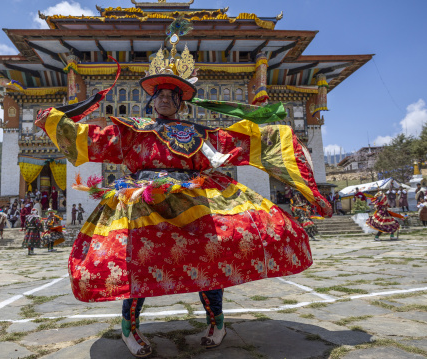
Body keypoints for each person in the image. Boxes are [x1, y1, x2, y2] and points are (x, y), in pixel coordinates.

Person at [34, 23, 331, 357]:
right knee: (134, 265)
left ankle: (216, 321)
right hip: (144, 206)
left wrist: (279, 139)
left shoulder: (199, 134)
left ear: (180, 102)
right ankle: (130, 328)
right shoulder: (133, 133)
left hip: (193, 203)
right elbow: (94, 140)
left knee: (210, 257)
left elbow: (236, 144)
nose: (164, 99)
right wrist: (55, 121)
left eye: (171, 95)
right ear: (151, 101)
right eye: (159, 94)